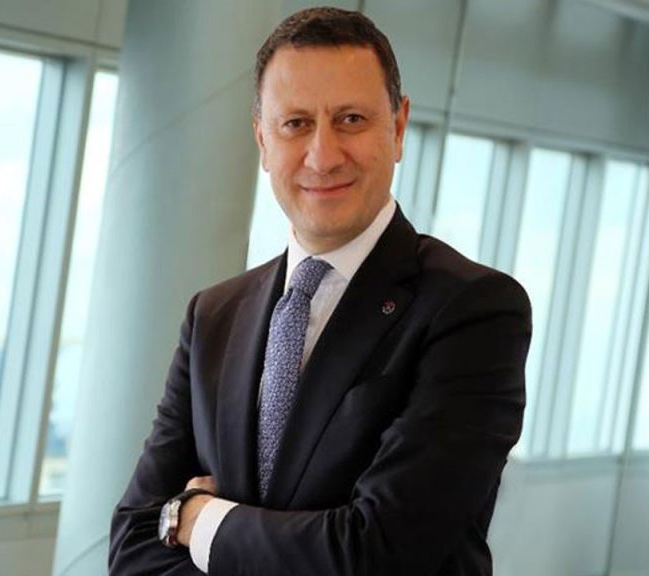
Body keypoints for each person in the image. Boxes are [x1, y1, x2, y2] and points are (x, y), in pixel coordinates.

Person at [109, 7, 531, 575]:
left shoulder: (474, 311)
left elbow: (376, 555)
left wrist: (195, 519)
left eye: (351, 119)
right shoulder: (213, 317)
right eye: (296, 124)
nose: (323, 155)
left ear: (398, 128)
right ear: (262, 140)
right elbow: (132, 547)